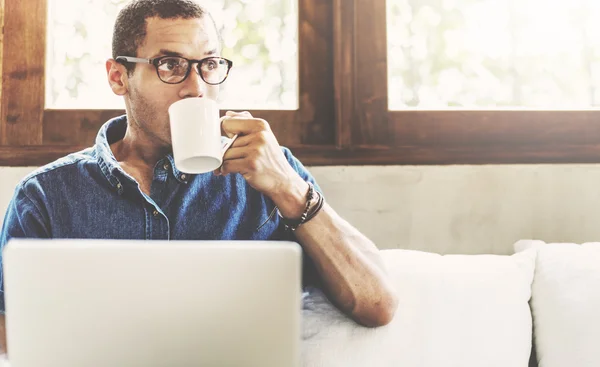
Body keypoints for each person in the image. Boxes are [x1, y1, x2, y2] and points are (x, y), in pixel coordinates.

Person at [0, 0, 398, 355]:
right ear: (119, 77)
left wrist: (289, 187)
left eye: (209, 65)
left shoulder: (268, 175)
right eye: (170, 65)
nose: (196, 89)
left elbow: (377, 305)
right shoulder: (47, 196)